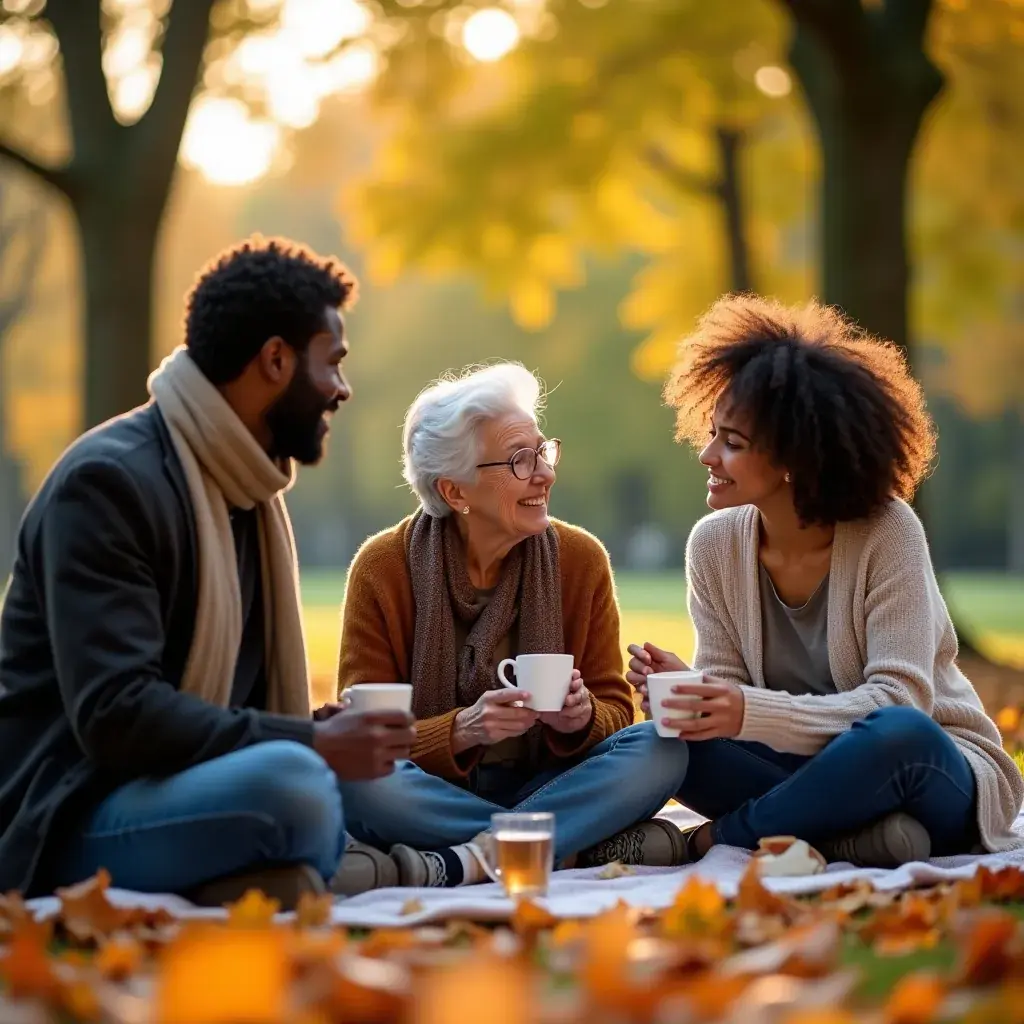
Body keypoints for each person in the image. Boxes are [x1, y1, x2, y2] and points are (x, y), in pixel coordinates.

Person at [0, 236, 416, 907]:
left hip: (184, 787)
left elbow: (228, 702)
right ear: (275, 360)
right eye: (331, 362)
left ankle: (279, 875)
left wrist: (322, 729)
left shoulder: (245, 491)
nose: (342, 388)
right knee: (296, 783)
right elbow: (116, 715)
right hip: (74, 812)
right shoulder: (110, 484)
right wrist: (309, 741)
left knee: (385, 776)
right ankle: (318, 866)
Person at [603, 294, 1023, 869]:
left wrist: (741, 710)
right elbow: (732, 698)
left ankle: (713, 839)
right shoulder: (714, 544)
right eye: (712, 433)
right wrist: (693, 694)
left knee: (897, 732)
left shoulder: (887, 531)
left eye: (733, 443)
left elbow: (902, 700)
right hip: (797, 772)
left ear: (794, 459)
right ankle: (849, 838)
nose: (707, 455)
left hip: (926, 768)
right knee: (663, 743)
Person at [335, 362, 692, 886]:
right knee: (356, 779)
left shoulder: (579, 559)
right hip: (432, 788)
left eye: (543, 451)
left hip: (548, 782)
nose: (545, 473)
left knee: (662, 749)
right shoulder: (383, 568)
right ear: (455, 492)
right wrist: (461, 729)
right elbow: (359, 738)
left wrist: (581, 717)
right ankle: (573, 845)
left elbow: (616, 710)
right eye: (520, 461)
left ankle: (465, 858)